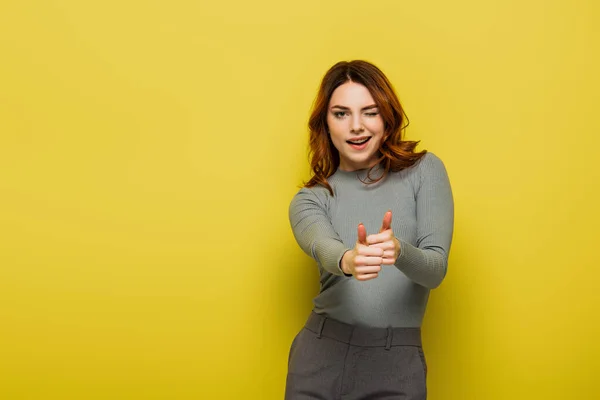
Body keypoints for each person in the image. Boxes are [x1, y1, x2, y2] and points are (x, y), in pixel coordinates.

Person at [285, 60, 454, 399]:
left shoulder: (425, 171)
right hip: (319, 356)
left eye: (370, 112)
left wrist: (399, 251)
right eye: (342, 113)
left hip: (395, 360)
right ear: (325, 124)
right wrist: (349, 260)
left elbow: (435, 271)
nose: (357, 127)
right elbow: (322, 245)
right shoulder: (310, 199)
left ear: (387, 118)